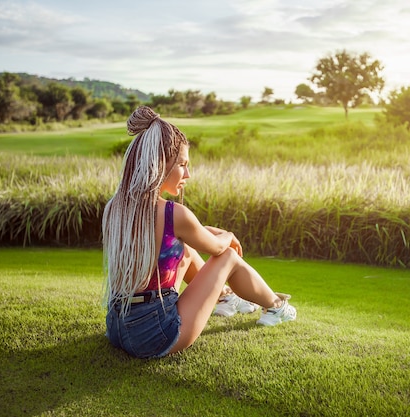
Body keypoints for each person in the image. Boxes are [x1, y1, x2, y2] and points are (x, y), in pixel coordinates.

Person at [102, 105, 296, 359]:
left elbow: (170, 239)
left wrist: (203, 231)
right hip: (155, 333)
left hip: (117, 326)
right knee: (228, 258)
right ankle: (276, 307)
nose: (188, 174)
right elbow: (219, 250)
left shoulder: (115, 208)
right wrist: (228, 235)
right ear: (160, 164)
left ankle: (225, 298)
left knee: (185, 248)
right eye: (182, 164)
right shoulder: (174, 214)